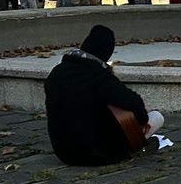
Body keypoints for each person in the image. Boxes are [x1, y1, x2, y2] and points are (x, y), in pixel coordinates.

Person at [45, 25, 164, 166]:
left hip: (64, 152)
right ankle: (138, 143)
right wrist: (142, 120)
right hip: (99, 153)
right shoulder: (99, 76)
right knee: (157, 117)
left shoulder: (56, 72)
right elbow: (132, 101)